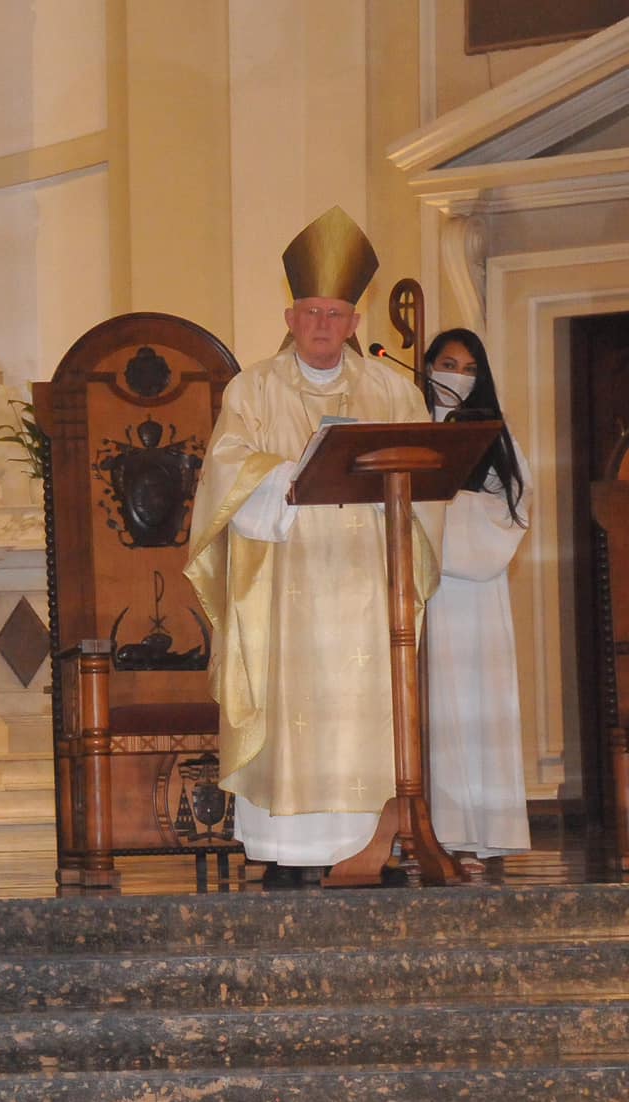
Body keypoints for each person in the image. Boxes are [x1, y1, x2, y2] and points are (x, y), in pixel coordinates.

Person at [183, 206, 436, 887]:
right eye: (312, 313)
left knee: (366, 713)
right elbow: (227, 472)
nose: (324, 326)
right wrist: (291, 474)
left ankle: (372, 848)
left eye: (337, 315)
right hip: (287, 584)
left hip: (366, 580)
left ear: (356, 323)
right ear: (291, 318)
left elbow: (429, 483)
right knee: (293, 711)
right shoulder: (253, 389)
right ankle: (291, 855)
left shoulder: (394, 389)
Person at [419, 326, 532, 865]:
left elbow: (510, 510)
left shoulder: (494, 434)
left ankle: (481, 829)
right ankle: (426, 829)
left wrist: (444, 511)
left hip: (479, 601)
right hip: (422, 592)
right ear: (426, 367)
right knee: (430, 708)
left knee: (475, 707)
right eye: (446, 364)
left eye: (467, 369)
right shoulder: (408, 426)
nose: (456, 378)